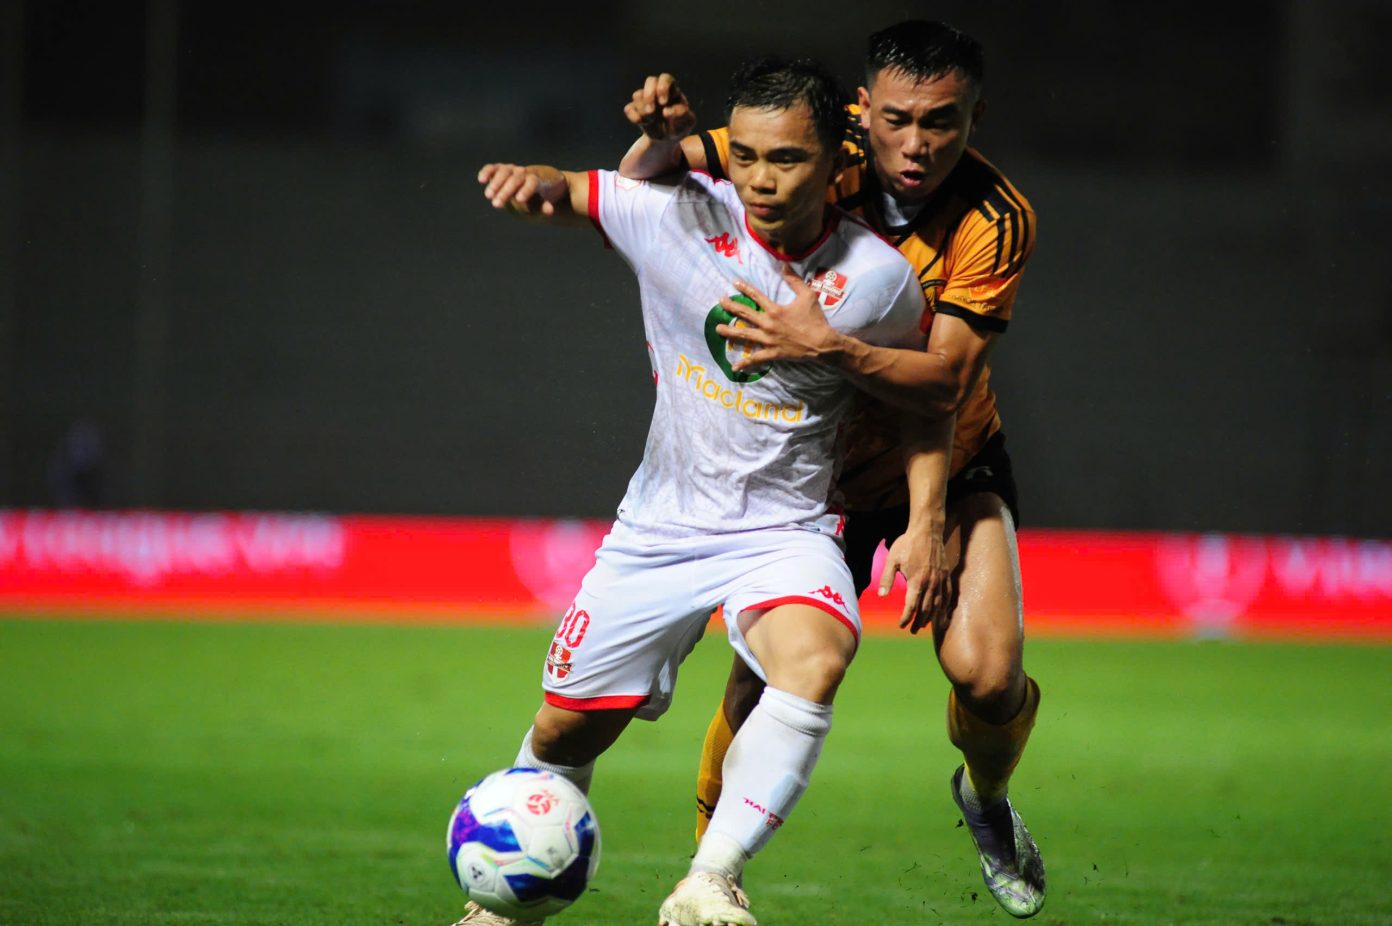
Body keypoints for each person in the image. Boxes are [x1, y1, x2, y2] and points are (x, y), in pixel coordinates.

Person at [464, 56, 954, 926]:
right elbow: (567, 188)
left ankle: (710, 881)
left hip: (784, 530)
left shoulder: (878, 280)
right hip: (660, 527)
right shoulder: (679, 215)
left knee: (815, 660)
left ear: (835, 156)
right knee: (564, 732)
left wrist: (925, 521)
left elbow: (924, 401)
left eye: (788, 159)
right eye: (748, 156)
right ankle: (503, 906)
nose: (762, 179)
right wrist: (524, 180)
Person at [619, 19, 1046, 919]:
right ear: (862, 109)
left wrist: (924, 520)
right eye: (897, 119)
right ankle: (710, 881)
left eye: (942, 121)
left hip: (949, 458)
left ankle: (988, 800)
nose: (917, 143)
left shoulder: (995, 219)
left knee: (987, 675)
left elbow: (943, 382)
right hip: (813, 478)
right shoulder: (807, 141)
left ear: (974, 117)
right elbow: (651, 178)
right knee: (760, 678)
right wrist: (659, 134)